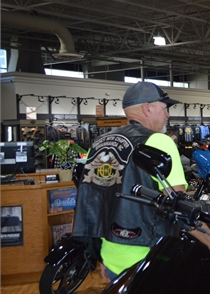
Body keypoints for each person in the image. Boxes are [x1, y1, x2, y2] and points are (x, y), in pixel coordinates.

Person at [72, 82, 200, 280]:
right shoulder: (160, 142)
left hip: (112, 254)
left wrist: (102, 257)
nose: (167, 115)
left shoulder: (99, 143)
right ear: (148, 108)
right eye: (165, 108)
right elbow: (179, 205)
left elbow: (93, 199)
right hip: (150, 256)